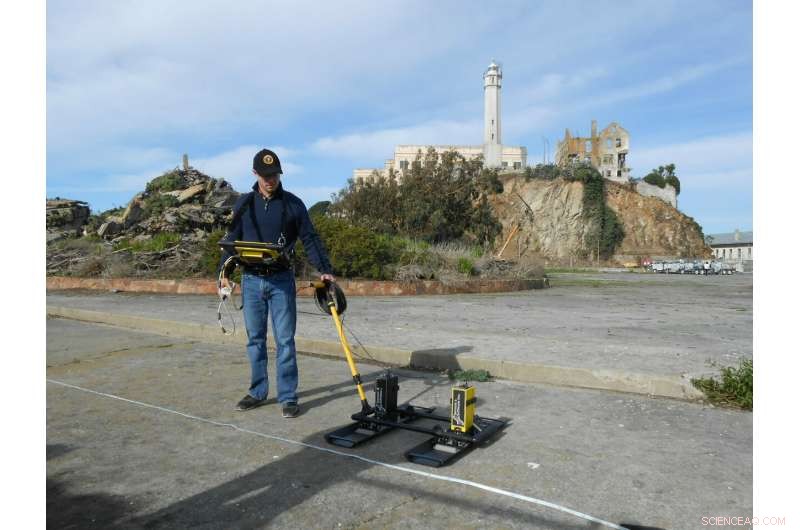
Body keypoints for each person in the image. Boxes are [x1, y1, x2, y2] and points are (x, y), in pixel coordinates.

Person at [218, 148, 335, 418]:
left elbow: (310, 239)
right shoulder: (244, 204)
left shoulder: (294, 204)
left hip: (281, 281)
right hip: (250, 280)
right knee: (255, 339)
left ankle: (288, 396)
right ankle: (257, 392)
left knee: (285, 340)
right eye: (265, 175)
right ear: (255, 174)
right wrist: (223, 273)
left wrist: (325, 270)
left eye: (274, 175)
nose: (270, 179)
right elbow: (231, 239)